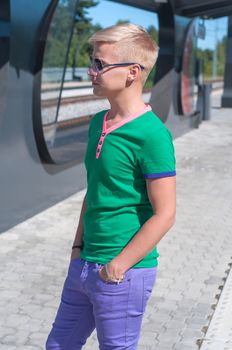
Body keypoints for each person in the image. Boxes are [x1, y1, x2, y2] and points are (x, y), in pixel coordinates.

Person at [46, 23, 176, 350]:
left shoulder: (152, 135)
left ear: (132, 72)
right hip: (84, 264)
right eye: (93, 61)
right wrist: (77, 251)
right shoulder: (97, 124)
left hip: (122, 273)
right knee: (58, 345)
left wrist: (118, 266)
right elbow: (95, 191)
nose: (91, 71)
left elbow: (166, 213)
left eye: (99, 65)